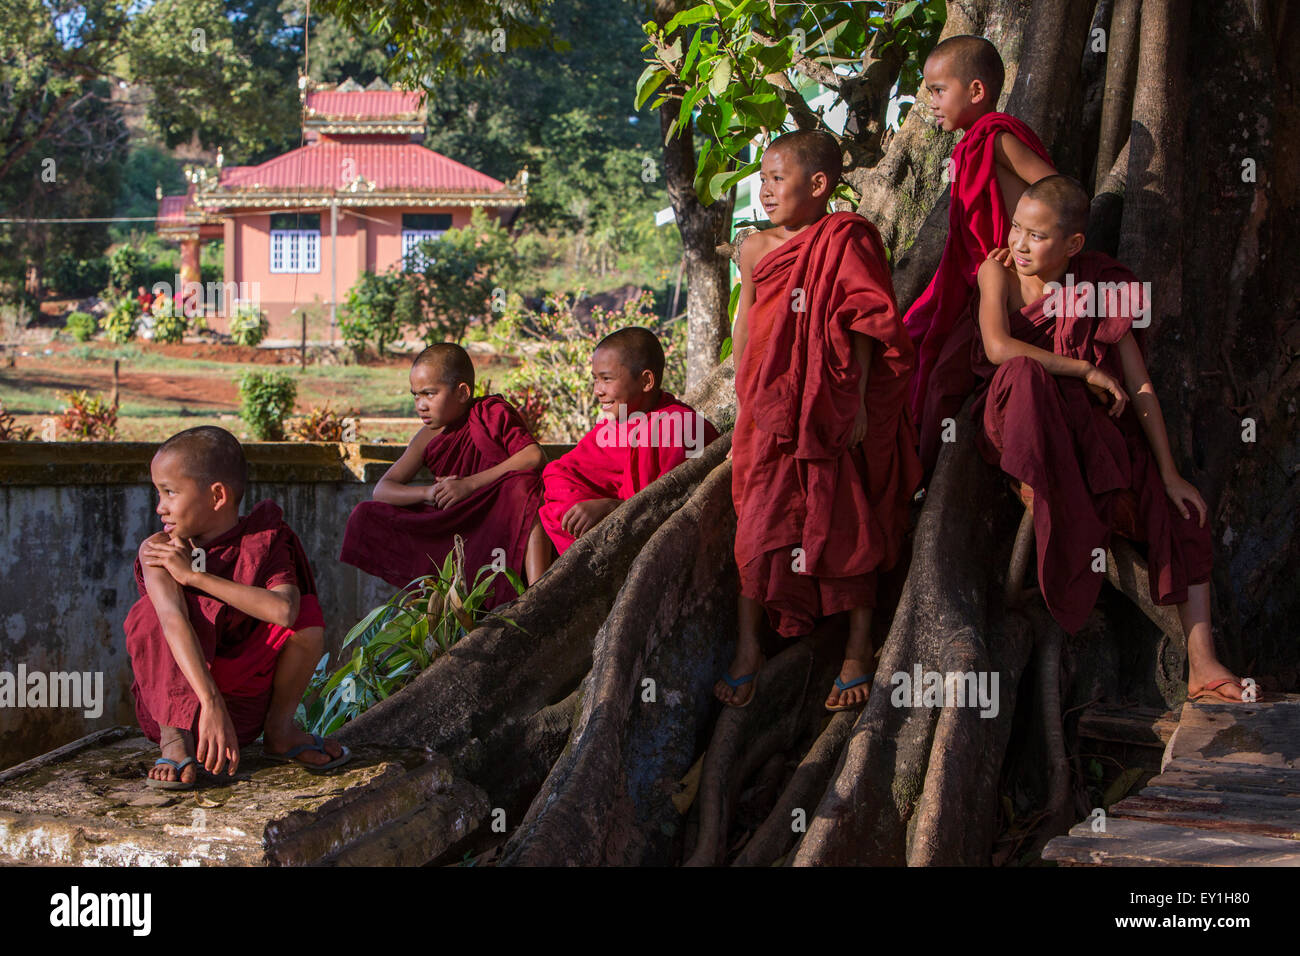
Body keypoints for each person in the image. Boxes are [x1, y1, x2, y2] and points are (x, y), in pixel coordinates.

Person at [973, 174, 1251, 703]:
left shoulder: (1100, 284)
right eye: (1015, 229)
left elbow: (1139, 383)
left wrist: (1169, 474)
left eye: (1037, 235)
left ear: (1074, 245)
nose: (1019, 244)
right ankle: (1040, 484)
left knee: (1184, 515)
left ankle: (1203, 665)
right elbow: (997, 347)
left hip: (1086, 431)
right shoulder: (998, 273)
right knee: (1028, 377)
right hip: (1019, 420)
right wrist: (1081, 369)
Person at [719, 129, 922, 711]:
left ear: (818, 184)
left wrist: (856, 400)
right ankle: (749, 647)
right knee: (757, 526)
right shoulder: (755, 248)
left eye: (777, 180)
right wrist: (745, 394)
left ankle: (859, 648)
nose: (765, 191)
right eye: (761, 180)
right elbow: (748, 323)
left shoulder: (846, 238)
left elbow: (864, 323)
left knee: (843, 518)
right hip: (766, 406)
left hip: (827, 404)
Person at [124, 426, 350, 790]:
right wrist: (210, 702)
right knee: (148, 615)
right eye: (158, 492)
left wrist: (194, 578)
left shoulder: (265, 540)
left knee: (306, 617)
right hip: (185, 706)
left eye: (170, 492)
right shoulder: (159, 549)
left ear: (217, 496)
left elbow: (283, 612)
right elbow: (171, 620)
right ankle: (174, 742)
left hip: (243, 710)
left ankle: (280, 732)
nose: (159, 507)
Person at [906, 34, 1056, 473]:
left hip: (1015, 282)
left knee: (942, 379)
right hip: (984, 286)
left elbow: (1054, 192)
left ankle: (926, 478)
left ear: (976, 91)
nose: (930, 101)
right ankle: (920, 474)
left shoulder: (996, 139)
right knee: (924, 359)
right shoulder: (969, 146)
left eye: (938, 90)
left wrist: (1020, 243)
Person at [339, 343, 547, 603]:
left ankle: (540, 597)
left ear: (462, 392)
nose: (420, 405)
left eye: (429, 394)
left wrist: (469, 485)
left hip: (497, 514)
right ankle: (437, 595)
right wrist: (429, 492)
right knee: (365, 514)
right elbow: (382, 490)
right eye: (415, 395)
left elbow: (534, 456)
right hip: (455, 522)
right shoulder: (427, 437)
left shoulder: (491, 414)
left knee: (523, 486)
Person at [535, 327, 717, 561]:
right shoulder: (616, 424)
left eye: (607, 379)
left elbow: (675, 509)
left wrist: (614, 509)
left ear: (646, 381)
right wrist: (584, 507)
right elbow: (560, 472)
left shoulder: (682, 428)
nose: (597, 391)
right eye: (595, 379)